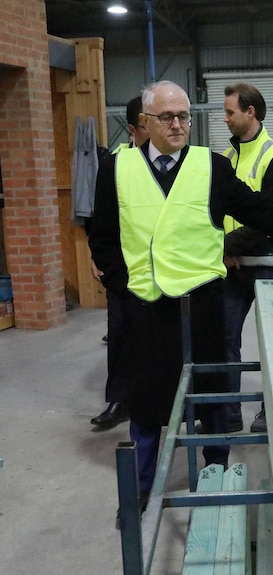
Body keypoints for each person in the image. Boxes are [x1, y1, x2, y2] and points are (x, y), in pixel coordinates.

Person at [89, 80, 273, 515]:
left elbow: (251, 204)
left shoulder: (210, 166)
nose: (177, 125)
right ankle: (141, 488)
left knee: (211, 396)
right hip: (146, 305)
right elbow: (103, 236)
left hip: (202, 302)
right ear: (145, 123)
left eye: (184, 116)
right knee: (148, 402)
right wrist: (122, 285)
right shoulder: (117, 169)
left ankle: (215, 476)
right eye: (167, 117)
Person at [220, 82, 273, 434]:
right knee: (225, 340)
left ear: (250, 112)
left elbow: (269, 218)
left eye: (230, 112)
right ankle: (228, 415)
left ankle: (269, 411)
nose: (225, 119)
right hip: (231, 266)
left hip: (265, 264)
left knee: (272, 343)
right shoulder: (228, 156)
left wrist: (227, 246)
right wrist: (223, 248)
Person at [89, 96, 149, 430]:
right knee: (121, 337)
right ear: (132, 129)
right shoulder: (116, 162)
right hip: (125, 272)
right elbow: (101, 220)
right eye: (146, 124)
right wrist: (101, 262)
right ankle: (119, 401)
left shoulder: (177, 162)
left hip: (167, 271)